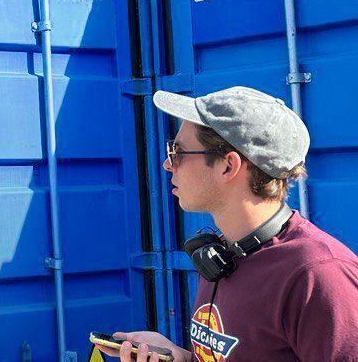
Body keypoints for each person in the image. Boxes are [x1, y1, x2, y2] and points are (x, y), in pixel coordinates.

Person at [95, 86, 358, 361]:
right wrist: (181, 358)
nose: (167, 164)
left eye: (177, 151)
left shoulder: (318, 276)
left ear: (228, 166)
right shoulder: (222, 256)